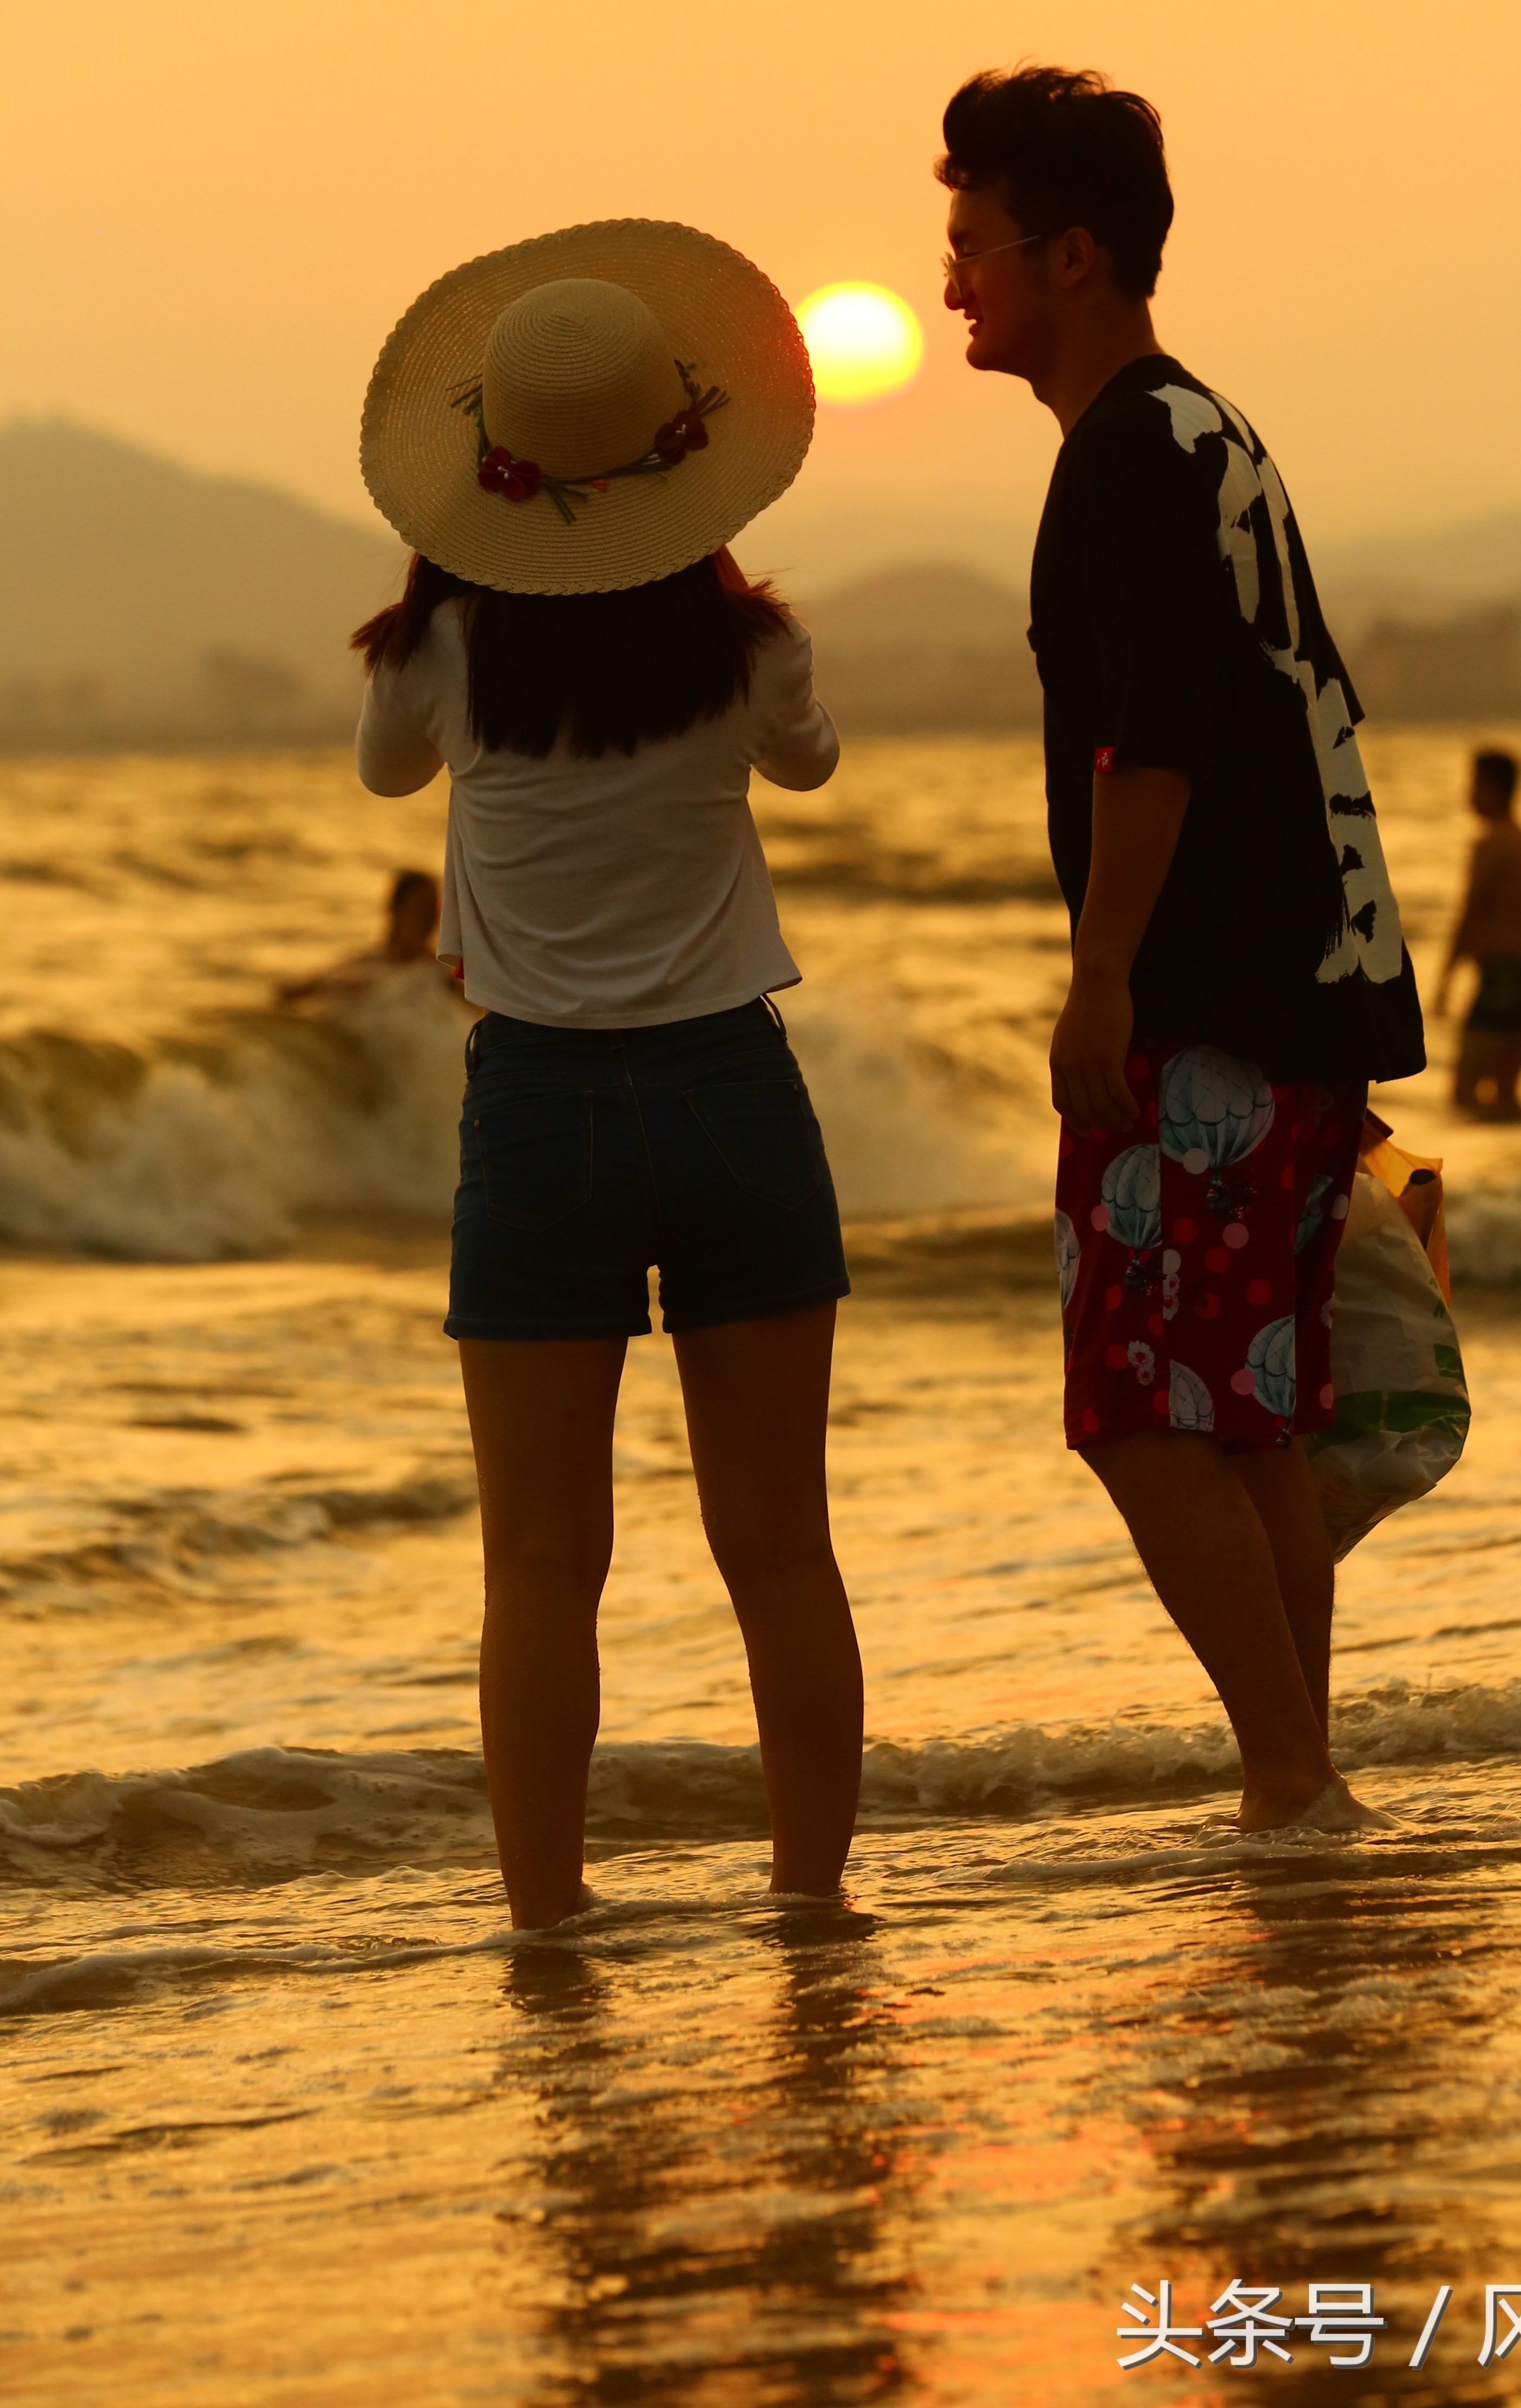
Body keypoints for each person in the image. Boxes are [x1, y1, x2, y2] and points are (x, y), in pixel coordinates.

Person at [351, 223, 862, 1928]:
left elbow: (379, 775)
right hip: (733, 1092)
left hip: (541, 1111)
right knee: (779, 1550)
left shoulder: (442, 656)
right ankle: (806, 1906)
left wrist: (450, 575)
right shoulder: (749, 651)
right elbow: (810, 763)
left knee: (543, 1568)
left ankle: (549, 1930)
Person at [939, 69, 1426, 1831]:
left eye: (974, 245)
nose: (950, 286)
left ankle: (1290, 1774)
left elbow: (1150, 744)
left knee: (1142, 1407)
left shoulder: (1124, 457)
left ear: (1072, 253)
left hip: (1211, 1007)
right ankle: (1296, 1778)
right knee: (1248, 1419)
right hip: (1313, 984)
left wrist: (1100, 976)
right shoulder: (1215, 434)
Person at [1437, 748, 1521, 1119]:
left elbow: (1471, 913)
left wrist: (1446, 979)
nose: (1468, 794)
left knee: (1462, 1093)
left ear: (1492, 788)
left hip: (1502, 977)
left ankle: (1490, 1173)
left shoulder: (1491, 845)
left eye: (1473, 784)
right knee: (1507, 1095)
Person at [276, 867, 445, 1003]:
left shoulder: (442, 977)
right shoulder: (365, 966)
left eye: (435, 910)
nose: (429, 918)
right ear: (396, 908)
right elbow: (289, 995)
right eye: (422, 907)